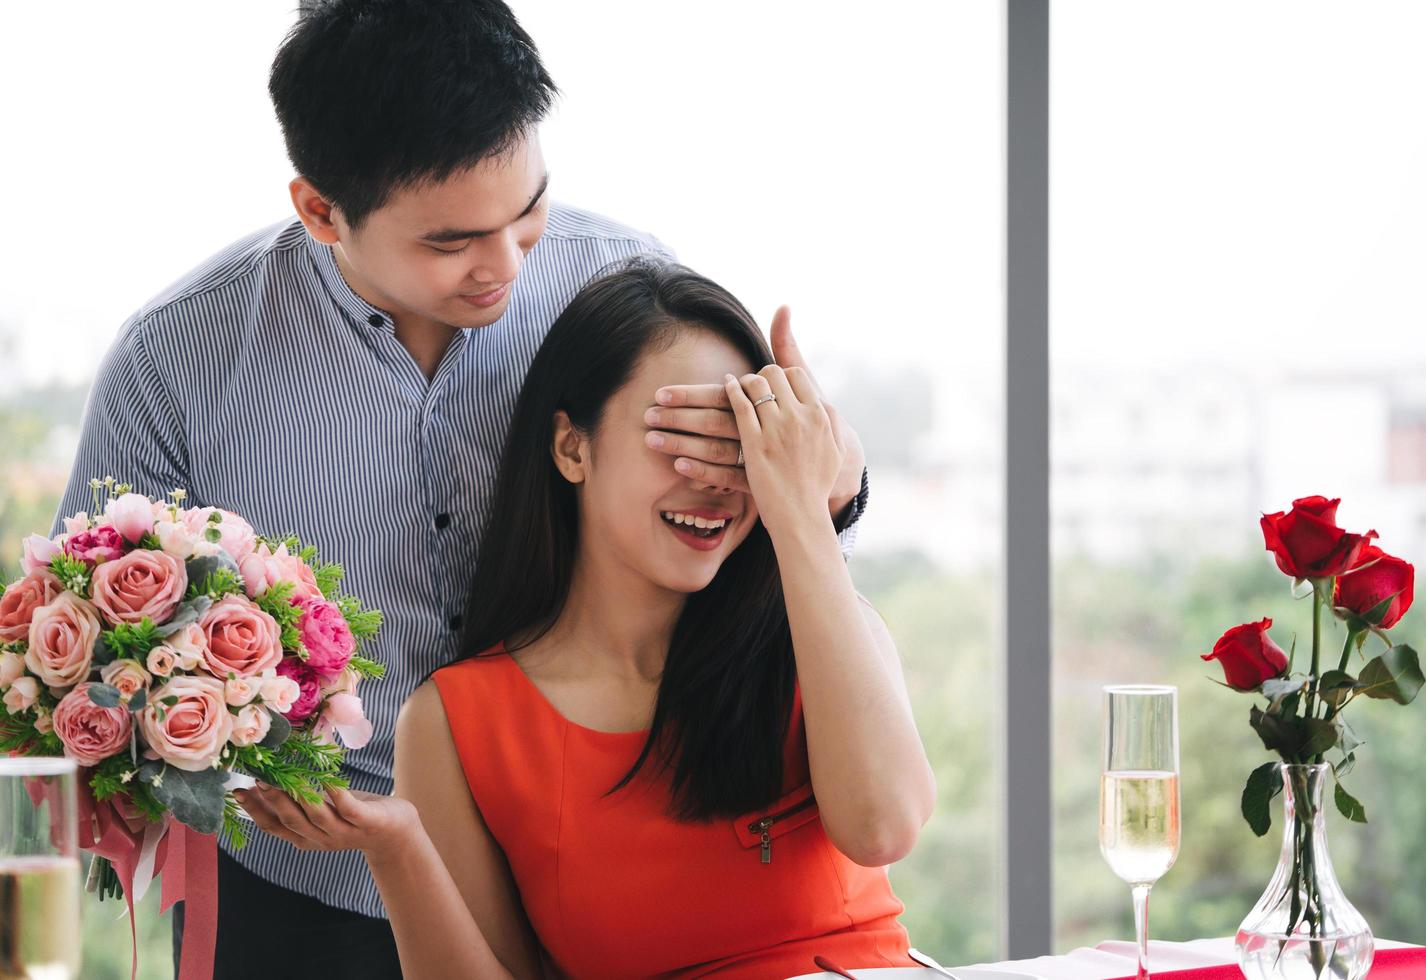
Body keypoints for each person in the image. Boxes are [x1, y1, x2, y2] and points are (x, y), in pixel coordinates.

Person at [49, 3, 868, 977]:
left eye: (528, 212)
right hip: (299, 884)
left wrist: (837, 478)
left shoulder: (625, 287)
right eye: (451, 242)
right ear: (320, 209)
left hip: (584, 866)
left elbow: (740, 519)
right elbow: (83, 661)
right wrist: (211, 761)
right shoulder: (178, 357)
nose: (506, 265)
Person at [237, 257, 934, 979]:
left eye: (740, 447)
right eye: (682, 439)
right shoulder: (462, 721)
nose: (716, 482)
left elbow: (884, 826)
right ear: (573, 446)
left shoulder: (815, 629)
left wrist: (799, 510)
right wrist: (397, 846)